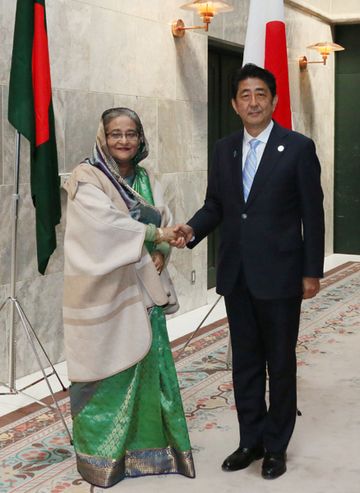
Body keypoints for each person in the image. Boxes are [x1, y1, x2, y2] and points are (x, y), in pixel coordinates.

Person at [173, 64, 325, 480]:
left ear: (273, 100)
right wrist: (191, 229)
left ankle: (276, 446)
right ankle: (250, 440)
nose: (253, 101)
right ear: (234, 104)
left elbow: (313, 214)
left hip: (281, 275)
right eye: (245, 95)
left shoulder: (297, 147)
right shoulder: (224, 149)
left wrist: (312, 271)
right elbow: (217, 205)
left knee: (280, 361)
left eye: (261, 93)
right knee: (245, 363)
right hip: (238, 274)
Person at [62, 107, 195, 487]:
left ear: (140, 138)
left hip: (143, 291)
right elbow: (104, 225)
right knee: (107, 372)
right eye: (115, 134)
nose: (124, 140)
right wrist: (156, 237)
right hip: (104, 294)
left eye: (131, 133)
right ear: (103, 138)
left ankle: (151, 453)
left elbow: (165, 218)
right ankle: (103, 459)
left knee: (148, 370)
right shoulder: (87, 177)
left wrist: (162, 251)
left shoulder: (147, 177)